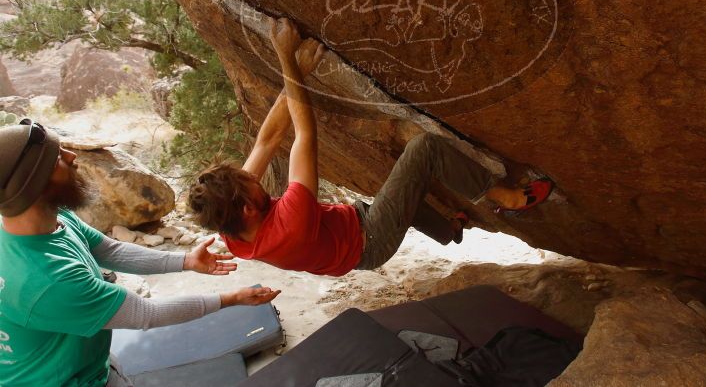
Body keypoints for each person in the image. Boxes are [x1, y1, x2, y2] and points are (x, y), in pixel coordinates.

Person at [188, 17, 552, 277]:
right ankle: (510, 199)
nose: (253, 176)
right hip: (369, 242)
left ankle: (449, 231)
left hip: (351, 233)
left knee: (399, 192)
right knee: (425, 150)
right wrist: (286, 58)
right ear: (249, 208)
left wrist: (299, 70)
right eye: (248, 181)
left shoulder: (231, 221)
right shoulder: (288, 226)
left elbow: (267, 140)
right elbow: (303, 135)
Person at [0, 119, 281, 387]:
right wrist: (231, 299)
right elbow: (145, 313)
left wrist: (186, 261)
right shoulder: (48, 280)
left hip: (76, 365)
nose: (72, 155)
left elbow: (110, 249)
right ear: (33, 187)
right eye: (57, 158)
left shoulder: (50, 219)